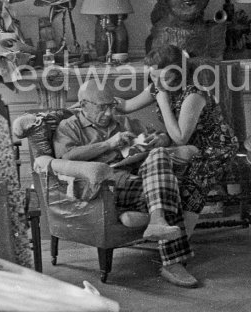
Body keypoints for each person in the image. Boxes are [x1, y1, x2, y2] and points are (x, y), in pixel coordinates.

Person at [53, 79, 198, 288]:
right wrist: (107, 144)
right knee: (168, 187)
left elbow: (160, 136)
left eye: (111, 105)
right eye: (102, 107)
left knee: (158, 155)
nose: (109, 113)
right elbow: (65, 157)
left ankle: (156, 219)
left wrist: (159, 141)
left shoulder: (124, 122)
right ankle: (172, 262)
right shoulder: (69, 127)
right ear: (83, 105)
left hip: (139, 178)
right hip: (108, 186)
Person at [115, 43, 239, 243]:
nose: (158, 82)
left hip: (215, 147)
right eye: (154, 76)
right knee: (151, 161)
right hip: (186, 147)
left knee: (188, 175)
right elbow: (127, 106)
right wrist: (97, 100)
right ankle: (156, 221)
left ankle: (177, 241)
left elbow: (180, 137)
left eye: (165, 77)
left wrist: (162, 100)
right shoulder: (158, 84)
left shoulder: (194, 93)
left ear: (180, 72)